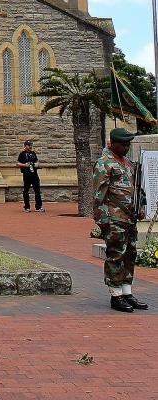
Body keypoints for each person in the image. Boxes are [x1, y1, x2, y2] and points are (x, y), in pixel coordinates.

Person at [93, 126, 148, 313]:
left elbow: (137, 189)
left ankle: (127, 291)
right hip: (113, 217)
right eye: (123, 144)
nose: (126, 147)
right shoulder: (104, 163)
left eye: (128, 144)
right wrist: (101, 220)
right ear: (113, 143)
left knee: (130, 254)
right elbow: (99, 194)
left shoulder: (128, 164)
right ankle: (115, 294)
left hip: (130, 217)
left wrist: (141, 207)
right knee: (116, 254)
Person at [17, 138, 44, 212]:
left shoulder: (33, 153)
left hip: (34, 175)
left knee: (37, 190)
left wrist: (37, 164)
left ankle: (38, 207)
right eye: (29, 145)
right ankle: (27, 207)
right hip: (26, 175)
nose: (30, 147)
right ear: (25, 146)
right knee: (26, 191)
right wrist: (25, 165)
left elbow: (37, 161)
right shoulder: (22, 154)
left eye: (31, 145)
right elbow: (18, 163)